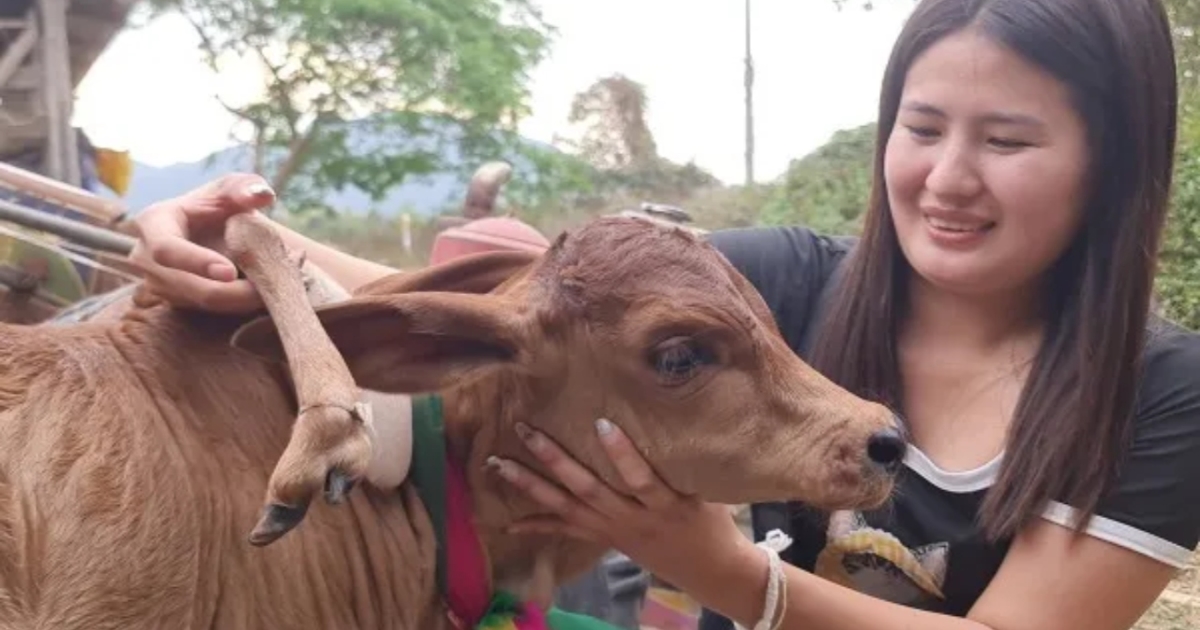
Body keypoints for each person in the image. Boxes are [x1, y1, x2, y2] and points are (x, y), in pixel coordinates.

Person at [126, 0, 1200, 627]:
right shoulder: (778, 285)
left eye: (1006, 142)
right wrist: (224, 232)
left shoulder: (1163, 393)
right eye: (922, 128)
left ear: (1113, 166)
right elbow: (536, 314)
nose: (947, 179)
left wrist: (729, 575)